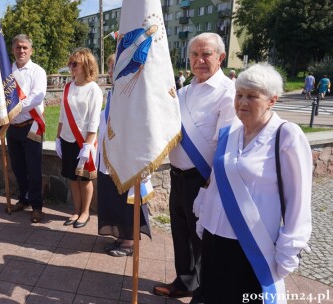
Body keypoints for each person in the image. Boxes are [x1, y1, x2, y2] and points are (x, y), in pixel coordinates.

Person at [195, 63, 312, 304]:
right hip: (214, 237)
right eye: (239, 95)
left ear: (272, 100)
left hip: (249, 246)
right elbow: (216, 182)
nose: (242, 102)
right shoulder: (230, 133)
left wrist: (289, 249)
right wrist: (203, 215)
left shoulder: (286, 136)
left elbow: (298, 199)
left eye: (252, 96)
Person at [153, 32, 236, 304]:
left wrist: (211, 184)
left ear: (220, 57)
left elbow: (226, 144)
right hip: (177, 176)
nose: (199, 60)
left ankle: (203, 294)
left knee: (204, 240)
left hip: (204, 180)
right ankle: (185, 281)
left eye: (206, 54)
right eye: (194, 55)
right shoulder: (183, 92)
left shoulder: (228, 93)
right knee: (181, 234)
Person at [97, 54, 151, 256]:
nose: (111, 72)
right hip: (110, 158)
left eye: (115, 67)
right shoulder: (114, 93)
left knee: (126, 201)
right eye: (110, 68)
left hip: (126, 157)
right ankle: (121, 236)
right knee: (114, 199)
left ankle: (129, 241)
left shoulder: (133, 94)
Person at [56, 48, 102, 229]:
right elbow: (62, 115)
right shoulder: (69, 86)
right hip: (67, 139)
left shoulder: (93, 90)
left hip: (84, 142)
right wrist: (58, 138)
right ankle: (76, 210)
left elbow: (93, 120)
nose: (71, 67)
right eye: (70, 63)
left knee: (84, 179)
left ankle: (85, 213)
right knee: (72, 178)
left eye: (75, 64)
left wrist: (88, 145)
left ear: (86, 65)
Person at [7, 34, 47, 223]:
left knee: (33, 168)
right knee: (17, 167)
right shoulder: (6, 72)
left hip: (32, 125)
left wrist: (18, 107)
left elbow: (37, 96)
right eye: (18, 47)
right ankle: (24, 199)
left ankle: (37, 206)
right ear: (13, 50)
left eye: (25, 47)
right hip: (12, 126)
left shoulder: (37, 71)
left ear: (31, 50)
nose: (21, 50)